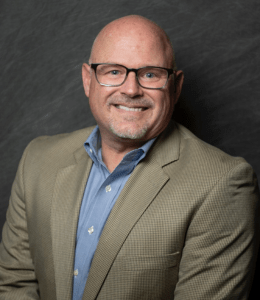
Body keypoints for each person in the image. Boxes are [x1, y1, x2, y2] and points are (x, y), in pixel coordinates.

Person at [0, 15, 259, 300]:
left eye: (150, 74)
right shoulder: (38, 159)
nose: (131, 89)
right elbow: (14, 284)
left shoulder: (221, 184)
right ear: (88, 80)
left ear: (175, 86)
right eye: (113, 72)